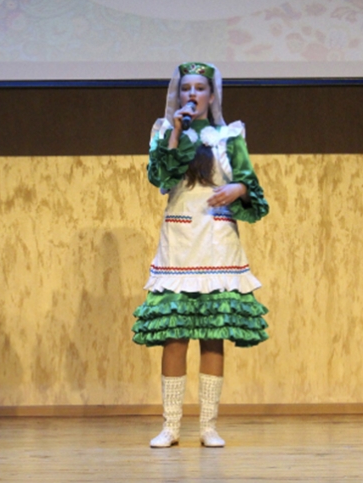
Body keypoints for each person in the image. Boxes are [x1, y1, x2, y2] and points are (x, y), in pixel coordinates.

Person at [132, 62, 270, 449]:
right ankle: (171, 427)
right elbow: (160, 178)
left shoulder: (229, 136)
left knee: (212, 337)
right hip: (178, 246)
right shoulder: (165, 132)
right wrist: (177, 132)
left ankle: (208, 426)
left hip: (218, 244)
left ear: (212, 95)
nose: (192, 94)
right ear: (178, 94)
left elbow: (254, 191)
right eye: (186, 88)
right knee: (174, 337)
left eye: (200, 88)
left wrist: (238, 189)